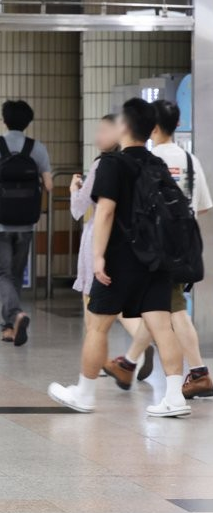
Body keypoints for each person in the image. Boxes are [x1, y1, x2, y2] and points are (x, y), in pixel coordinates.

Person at [49, 98, 190, 417]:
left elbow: (106, 212)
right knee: (162, 327)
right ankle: (174, 397)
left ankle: (84, 393)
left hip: (119, 261)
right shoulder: (156, 164)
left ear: (124, 126)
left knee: (97, 327)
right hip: (156, 260)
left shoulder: (113, 163)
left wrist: (97, 257)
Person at [103, 100, 212, 398]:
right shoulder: (190, 160)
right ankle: (129, 362)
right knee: (160, 307)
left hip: (153, 248)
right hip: (183, 243)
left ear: (150, 127)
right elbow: (202, 207)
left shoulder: (147, 160)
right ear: (178, 125)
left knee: (170, 309)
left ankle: (199, 373)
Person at [70, 116, 154, 379]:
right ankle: (141, 342)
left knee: (92, 301)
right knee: (114, 306)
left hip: (99, 236)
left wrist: (74, 189)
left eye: (105, 130)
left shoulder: (103, 165)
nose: (99, 135)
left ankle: (98, 362)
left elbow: (79, 208)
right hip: (126, 238)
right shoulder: (136, 164)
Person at [0, 100, 52, 346]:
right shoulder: (36, 148)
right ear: (28, 122)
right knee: (15, 274)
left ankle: (15, 315)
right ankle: (9, 328)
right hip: (26, 223)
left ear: (4, 120)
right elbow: (49, 185)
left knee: (1, 273)